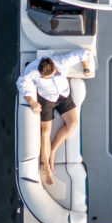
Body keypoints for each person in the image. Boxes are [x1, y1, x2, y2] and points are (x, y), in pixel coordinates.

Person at [18, 54, 81, 187]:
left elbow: (82, 54)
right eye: (43, 77)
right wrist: (32, 102)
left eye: (48, 76)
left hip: (63, 95)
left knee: (73, 124)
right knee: (46, 132)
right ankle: (47, 166)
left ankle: (52, 150)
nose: (45, 78)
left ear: (54, 69)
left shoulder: (62, 61)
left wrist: (87, 69)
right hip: (46, 98)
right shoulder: (33, 69)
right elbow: (21, 82)